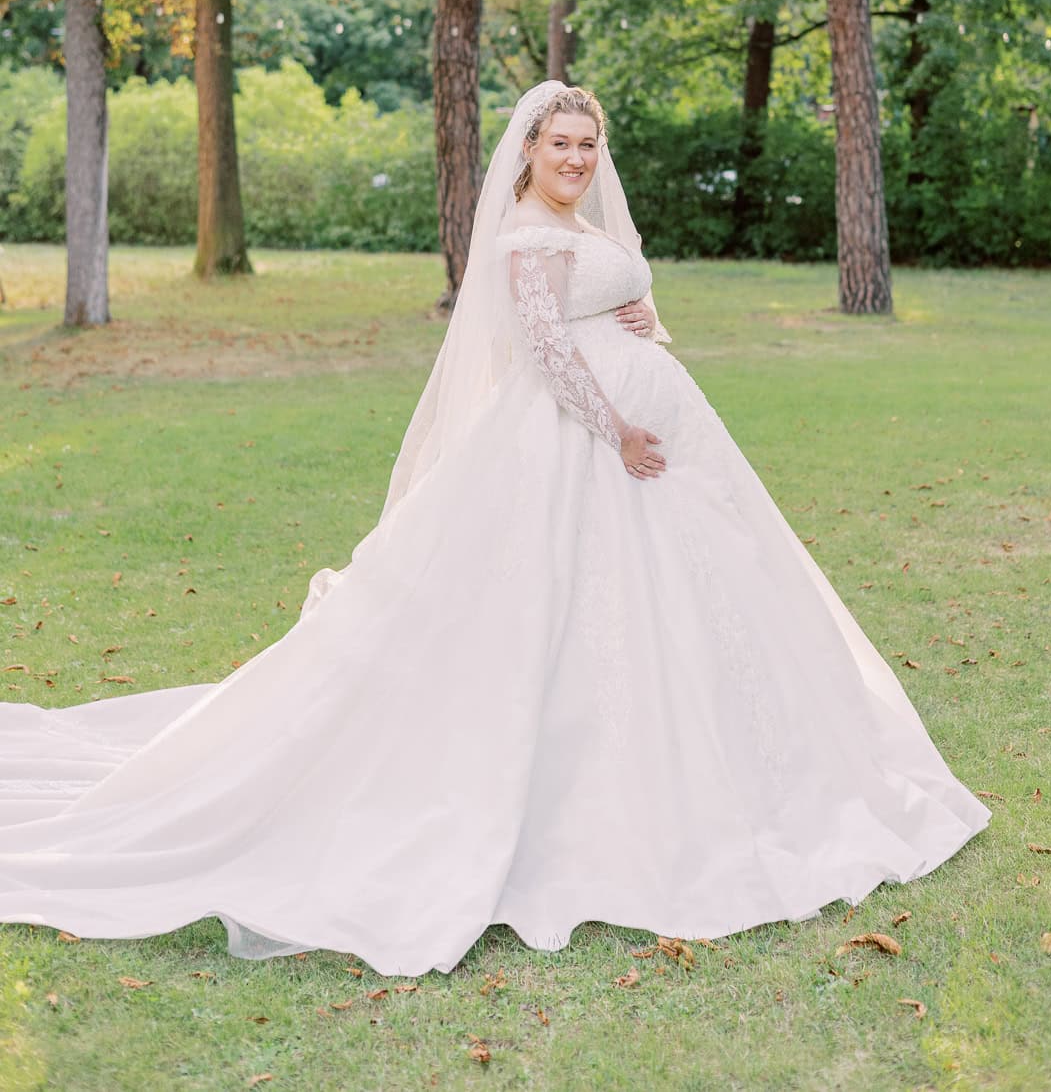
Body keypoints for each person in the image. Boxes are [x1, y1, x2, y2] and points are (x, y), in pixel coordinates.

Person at [0, 80, 990, 976]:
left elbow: (619, 299)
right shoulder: (525, 234)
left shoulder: (582, 224)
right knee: (565, 618)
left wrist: (641, 316)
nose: (575, 159)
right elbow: (547, 352)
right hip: (579, 448)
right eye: (560, 145)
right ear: (529, 151)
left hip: (658, 455)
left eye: (587, 146)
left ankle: (739, 784)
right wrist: (618, 429)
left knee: (689, 614)